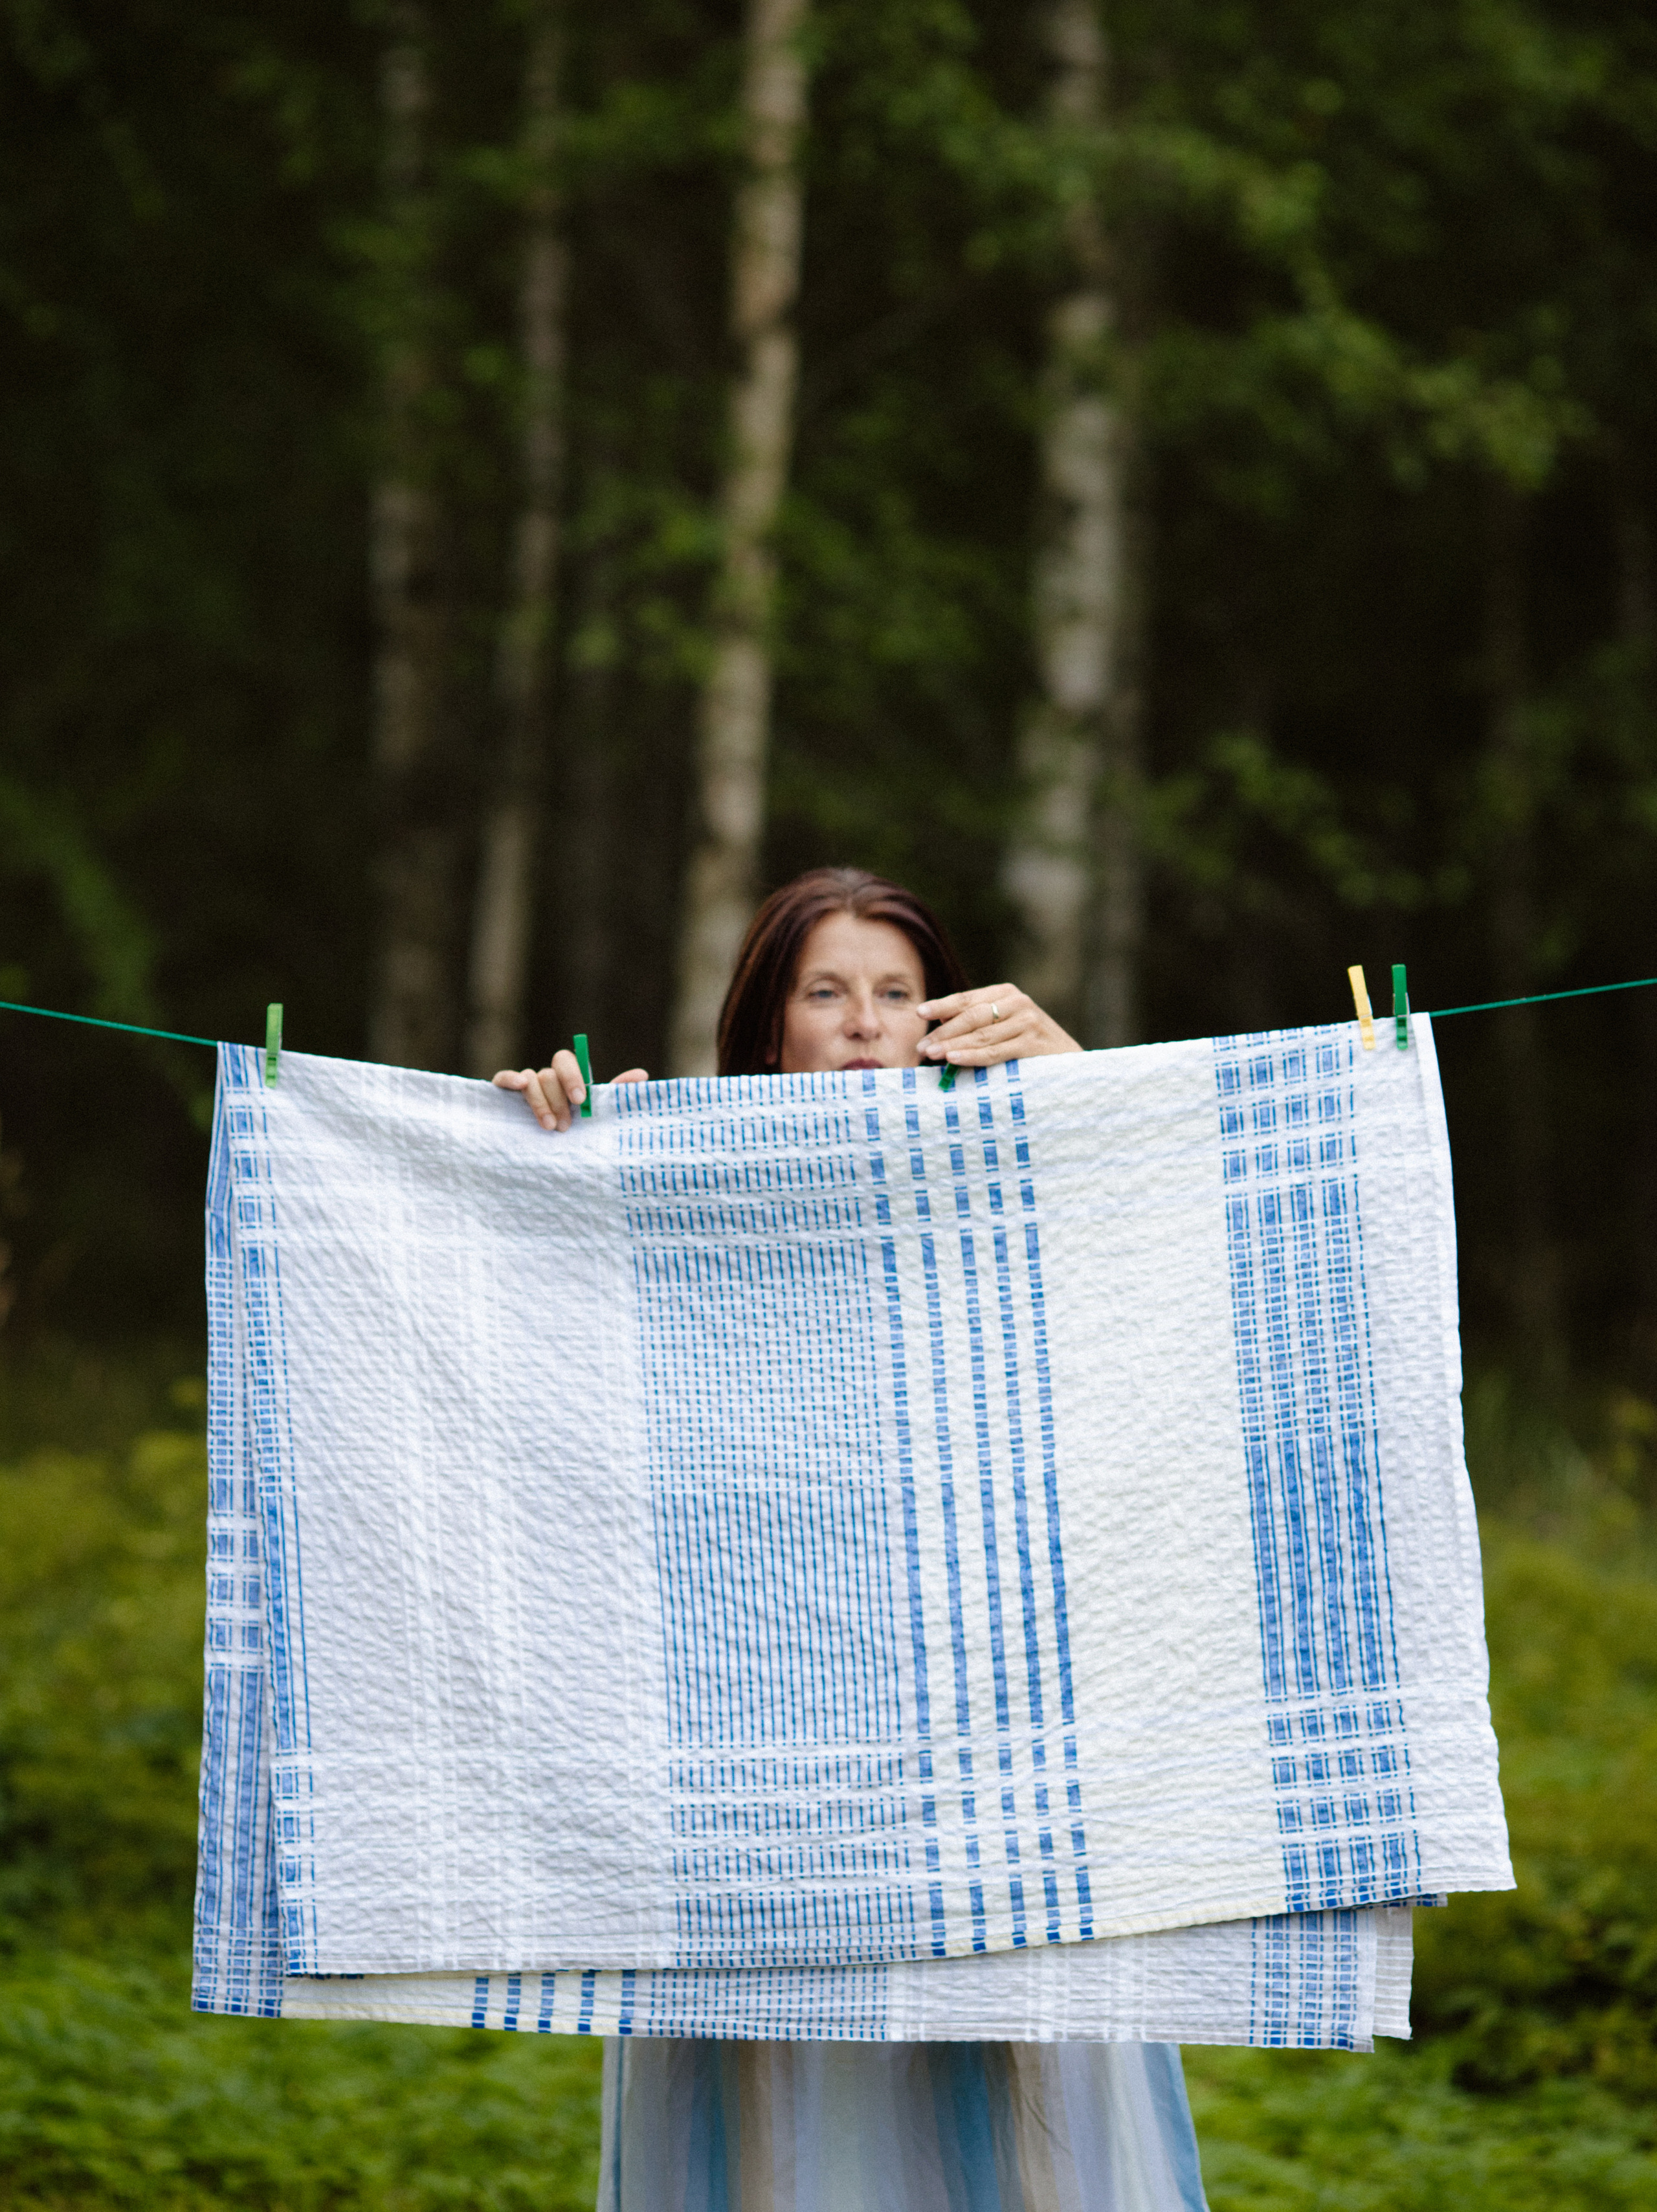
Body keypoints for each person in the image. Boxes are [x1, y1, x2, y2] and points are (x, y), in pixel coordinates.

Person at [495, 867, 1208, 2212]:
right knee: (782, 2138)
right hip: (758, 1780)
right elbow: (537, 1338)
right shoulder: (675, 1180)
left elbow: (1164, 1278)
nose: (866, 1021)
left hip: (985, 1770)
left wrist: (1076, 1085)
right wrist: (548, 1140)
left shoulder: (1015, 1183)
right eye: (827, 990)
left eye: (895, 992)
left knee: (1006, 2136)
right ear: (770, 1027)